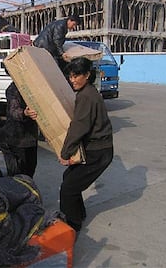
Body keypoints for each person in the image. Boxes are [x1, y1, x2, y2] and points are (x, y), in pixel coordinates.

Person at [58, 57, 113, 232]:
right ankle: (79, 213)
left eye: (76, 76)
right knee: (69, 179)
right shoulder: (88, 92)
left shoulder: (86, 97)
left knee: (67, 189)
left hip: (98, 152)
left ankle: (72, 226)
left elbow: (79, 127)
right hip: (98, 149)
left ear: (87, 75)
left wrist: (65, 153)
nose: (72, 80)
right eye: (71, 76)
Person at [0, 82, 38, 178]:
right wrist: (25, 113)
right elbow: (13, 111)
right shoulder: (13, 89)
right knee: (19, 173)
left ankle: (28, 189)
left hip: (31, 138)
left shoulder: (32, 86)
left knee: (30, 170)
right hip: (17, 139)